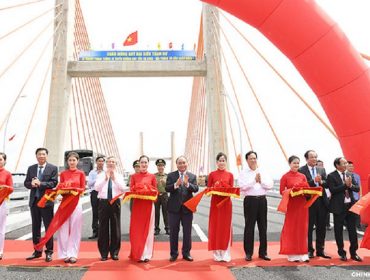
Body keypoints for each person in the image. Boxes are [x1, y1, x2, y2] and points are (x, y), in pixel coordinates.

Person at [24, 147, 58, 262]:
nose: (41, 156)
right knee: (35, 227)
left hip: (47, 202)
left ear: (46, 156)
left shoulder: (53, 168)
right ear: (36, 156)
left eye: (43, 154)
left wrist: (41, 183)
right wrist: (32, 184)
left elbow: (54, 183)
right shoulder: (31, 168)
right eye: (39, 154)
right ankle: (37, 251)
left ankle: (49, 252)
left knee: (49, 227)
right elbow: (26, 183)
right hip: (34, 202)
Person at [238, 151, 273, 261]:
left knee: (263, 227)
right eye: (251, 158)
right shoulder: (243, 172)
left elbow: (270, 185)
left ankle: (263, 252)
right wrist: (254, 181)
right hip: (250, 201)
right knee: (249, 227)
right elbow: (242, 187)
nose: (253, 160)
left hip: (262, 200)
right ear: (247, 160)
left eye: (255, 158)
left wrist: (261, 181)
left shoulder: (263, 171)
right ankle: (248, 253)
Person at [327, 157, 362, 262]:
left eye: (346, 162)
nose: (346, 164)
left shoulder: (350, 174)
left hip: (350, 206)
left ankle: (354, 252)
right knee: (338, 231)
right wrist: (344, 186)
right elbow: (333, 190)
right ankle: (342, 252)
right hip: (339, 207)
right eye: (344, 163)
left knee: (352, 230)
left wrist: (350, 185)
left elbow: (357, 188)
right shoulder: (331, 176)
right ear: (337, 165)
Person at [298, 150, 331, 259]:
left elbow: (327, 184)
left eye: (316, 157)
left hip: (322, 202)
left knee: (321, 227)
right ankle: (309, 250)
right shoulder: (301, 170)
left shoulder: (321, 169)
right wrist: (313, 181)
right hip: (309, 202)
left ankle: (320, 250)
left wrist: (321, 182)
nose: (314, 159)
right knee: (309, 228)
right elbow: (302, 186)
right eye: (312, 157)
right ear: (306, 159)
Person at [166, 156, 199, 262]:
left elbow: (196, 188)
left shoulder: (192, 176)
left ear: (187, 164)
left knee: (187, 232)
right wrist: (176, 184)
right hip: (174, 209)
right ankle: (174, 253)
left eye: (184, 162)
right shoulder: (171, 175)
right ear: (177, 164)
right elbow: (167, 188)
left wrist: (187, 184)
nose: (182, 165)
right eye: (179, 163)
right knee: (174, 232)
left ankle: (186, 253)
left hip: (187, 209)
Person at [95, 156, 127, 261]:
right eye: (109, 162)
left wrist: (114, 179)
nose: (110, 163)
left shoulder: (119, 175)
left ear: (116, 164)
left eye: (113, 162)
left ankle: (114, 252)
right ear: (106, 164)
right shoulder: (100, 175)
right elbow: (96, 188)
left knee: (115, 227)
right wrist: (105, 179)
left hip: (115, 202)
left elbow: (123, 188)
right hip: (103, 202)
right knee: (103, 228)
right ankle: (104, 253)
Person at [279, 155, 309, 262]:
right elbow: (281, 191)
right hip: (292, 205)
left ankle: (303, 253)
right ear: (289, 164)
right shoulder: (285, 177)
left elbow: (308, 189)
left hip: (302, 205)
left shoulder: (303, 176)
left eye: (297, 163)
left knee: (302, 228)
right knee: (291, 228)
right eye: (294, 163)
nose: (296, 165)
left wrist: (303, 190)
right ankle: (292, 254)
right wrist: (292, 191)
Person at [57, 152, 85, 263]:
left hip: (76, 202)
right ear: (67, 162)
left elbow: (83, 188)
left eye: (74, 160)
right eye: (70, 160)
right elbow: (61, 188)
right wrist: (64, 191)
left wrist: (74, 190)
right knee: (63, 228)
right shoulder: (63, 174)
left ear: (77, 161)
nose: (72, 162)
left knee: (75, 228)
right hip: (65, 202)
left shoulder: (81, 173)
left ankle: (73, 254)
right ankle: (64, 254)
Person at [129, 155, 157, 262]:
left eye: (145, 162)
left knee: (149, 230)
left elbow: (155, 191)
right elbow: (131, 189)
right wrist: (138, 189)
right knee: (137, 230)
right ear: (139, 164)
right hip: (137, 206)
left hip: (149, 206)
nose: (144, 164)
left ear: (148, 164)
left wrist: (148, 190)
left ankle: (147, 254)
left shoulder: (152, 177)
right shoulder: (134, 177)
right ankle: (138, 254)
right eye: (142, 162)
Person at [207, 152, 235, 262]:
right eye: (220, 160)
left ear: (226, 162)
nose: (221, 162)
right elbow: (208, 189)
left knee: (225, 227)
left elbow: (232, 190)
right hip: (215, 204)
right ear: (216, 162)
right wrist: (215, 186)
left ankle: (225, 253)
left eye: (223, 160)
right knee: (216, 227)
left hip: (226, 204)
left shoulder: (230, 175)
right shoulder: (212, 175)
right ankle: (217, 253)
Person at [87, 156, 105, 239]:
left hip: (103, 193)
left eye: (102, 161)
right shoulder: (92, 172)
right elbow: (89, 184)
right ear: (96, 162)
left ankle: (103, 232)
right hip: (94, 193)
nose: (100, 163)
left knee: (103, 213)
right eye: (99, 161)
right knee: (95, 212)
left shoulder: (106, 172)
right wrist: (98, 177)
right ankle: (95, 231)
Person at [0, 153, 13, 260]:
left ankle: (0, 250)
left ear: (4, 161)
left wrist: (5, 187)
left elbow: (11, 188)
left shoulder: (7, 174)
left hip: (2, 202)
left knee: (1, 228)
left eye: (0, 159)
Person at [154, 159, 169, 235]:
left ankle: (167, 228)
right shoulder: (153, 176)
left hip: (164, 195)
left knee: (166, 213)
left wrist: (165, 183)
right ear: (157, 167)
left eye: (162, 165)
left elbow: (170, 187)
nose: (160, 167)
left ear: (164, 166)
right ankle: (156, 229)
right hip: (156, 195)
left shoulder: (167, 176)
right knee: (156, 213)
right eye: (159, 165)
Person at [347, 161, 362, 230]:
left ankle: (358, 225)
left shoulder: (357, 176)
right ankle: (348, 225)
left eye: (352, 166)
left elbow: (359, 186)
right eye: (350, 166)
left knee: (357, 212)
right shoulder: (345, 175)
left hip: (356, 196)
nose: (351, 167)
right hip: (347, 197)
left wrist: (361, 195)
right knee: (348, 212)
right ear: (346, 167)